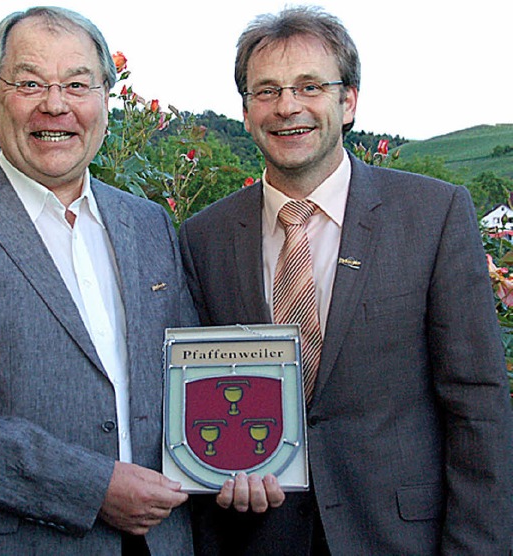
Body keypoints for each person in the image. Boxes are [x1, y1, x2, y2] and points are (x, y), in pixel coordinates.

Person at [179, 6, 513, 555]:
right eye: (267, 91)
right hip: (257, 537)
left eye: (310, 86)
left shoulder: (433, 215)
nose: (287, 107)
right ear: (244, 111)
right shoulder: (203, 237)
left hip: (401, 536)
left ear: (349, 101)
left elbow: (477, 405)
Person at [0, 7, 198, 555]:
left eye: (77, 84)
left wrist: (240, 461)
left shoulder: (149, 225)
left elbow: (189, 377)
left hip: (159, 543)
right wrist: (90, 488)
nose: (57, 104)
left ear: (105, 101)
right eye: (30, 83)